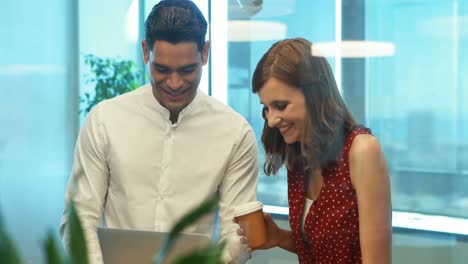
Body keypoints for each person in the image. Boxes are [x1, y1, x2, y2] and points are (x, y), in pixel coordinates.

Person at [60, 1, 258, 263]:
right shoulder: (104, 120)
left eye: (187, 70)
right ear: (145, 52)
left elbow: (237, 233)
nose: (174, 83)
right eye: (161, 69)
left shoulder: (235, 133)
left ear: (205, 53)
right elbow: (79, 218)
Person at [237, 38, 392, 263]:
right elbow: (322, 251)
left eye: (280, 106)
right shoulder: (300, 157)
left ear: (314, 95)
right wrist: (278, 237)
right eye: (266, 108)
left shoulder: (362, 150)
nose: (271, 120)